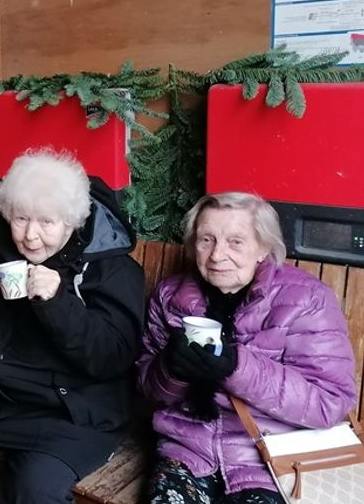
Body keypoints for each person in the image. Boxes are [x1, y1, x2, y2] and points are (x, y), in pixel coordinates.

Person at [0, 149, 146, 504]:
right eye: (21, 218)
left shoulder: (110, 270)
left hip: (68, 412)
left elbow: (111, 356)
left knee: (37, 487)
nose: (30, 235)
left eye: (46, 223)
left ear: (71, 221)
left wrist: (57, 302)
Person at [138, 192, 357, 504]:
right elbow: (149, 391)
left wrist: (236, 367)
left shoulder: (307, 300)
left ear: (263, 247)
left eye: (236, 242)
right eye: (206, 240)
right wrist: (170, 369)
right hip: (186, 451)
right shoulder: (171, 296)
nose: (216, 255)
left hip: (269, 461)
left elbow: (329, 403)